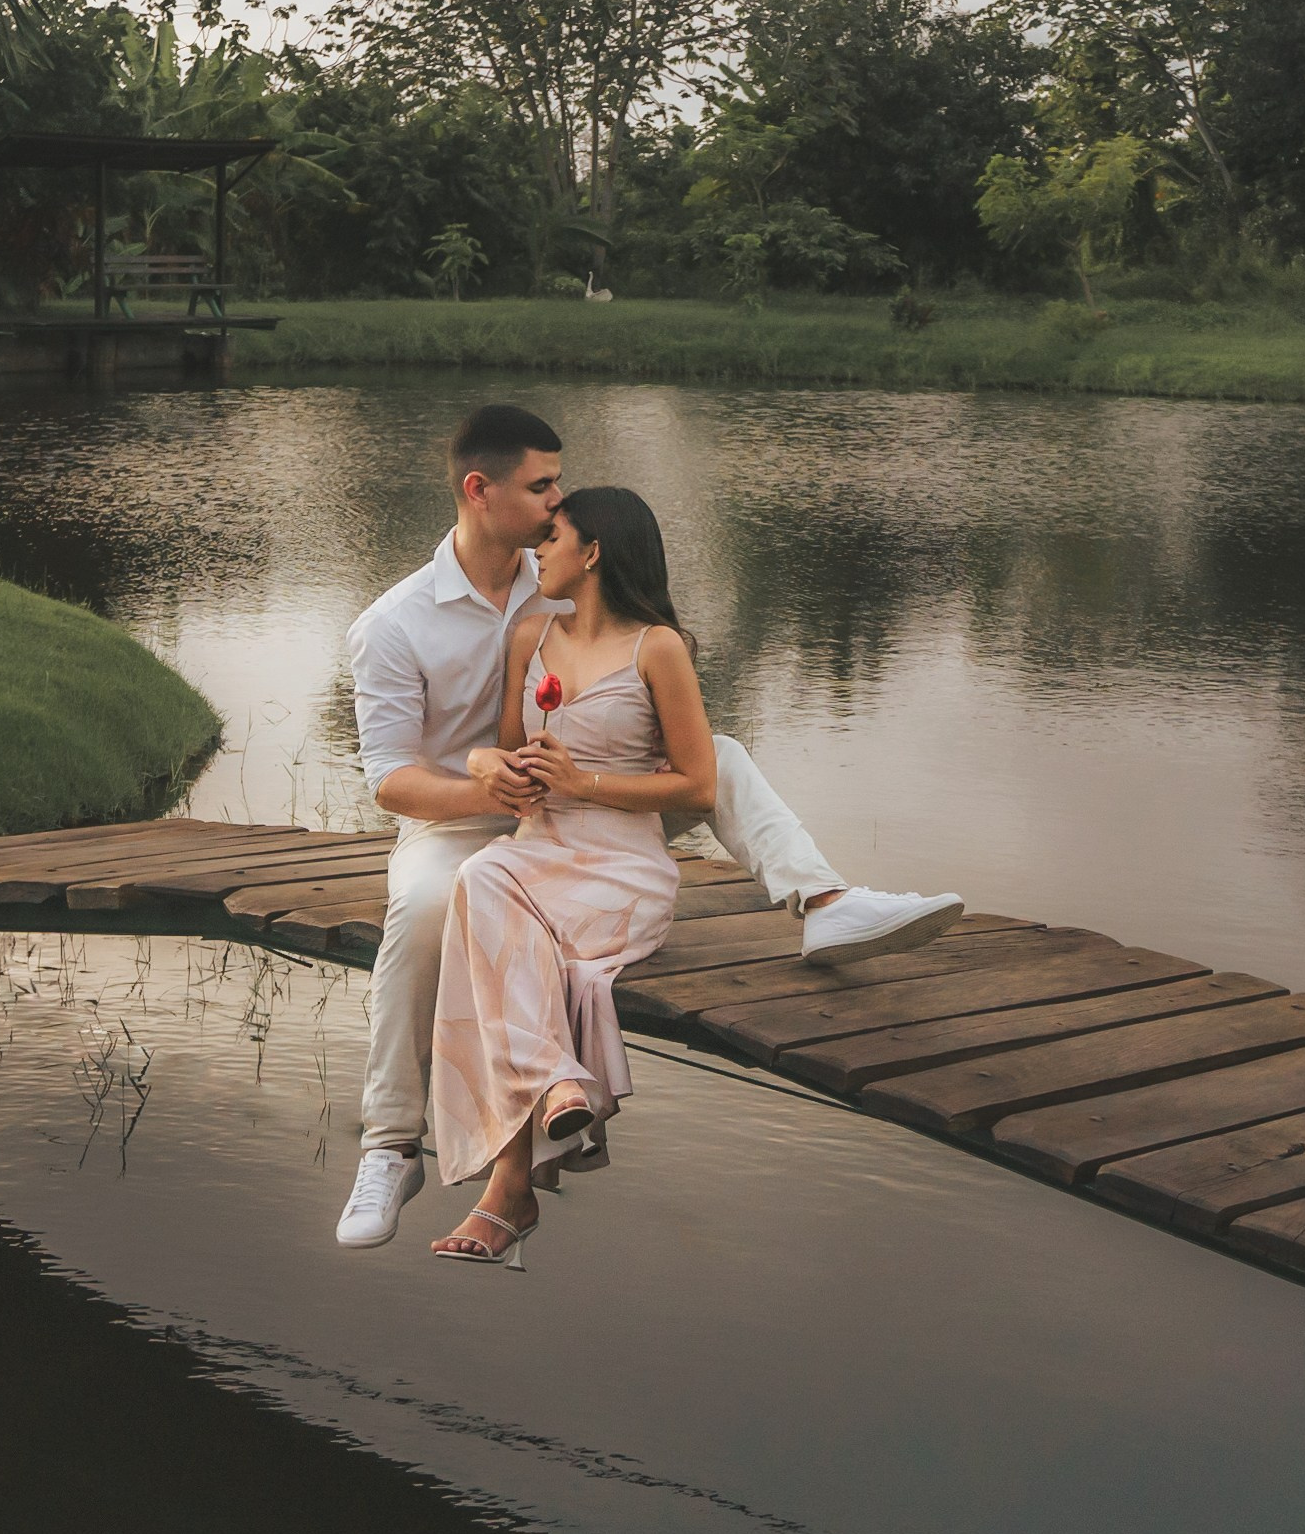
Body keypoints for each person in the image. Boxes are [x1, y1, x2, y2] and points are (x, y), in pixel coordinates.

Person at [336, 405, 964, 1249]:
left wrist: (581, 775)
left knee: (721, 752)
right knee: (424, 905)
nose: (559, 498)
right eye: (542, 484)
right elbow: (391, 781)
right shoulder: (394, 623)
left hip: (580, 816)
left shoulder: (557, 575)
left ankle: (822, 899)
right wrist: (490, 776)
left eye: (562, 488)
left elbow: (642, 685)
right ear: (479, 491)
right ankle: (390, 1144)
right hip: (463, 820)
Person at [425, 487, 710, 1266]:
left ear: (592, 553)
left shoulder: (658, 648)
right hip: (538, 848)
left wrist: (585, 784)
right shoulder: (530, 637)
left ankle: (508, 1187)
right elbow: (510, 753)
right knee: (482, 879)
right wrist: (497, 767)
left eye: (553, 537)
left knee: (502, 931)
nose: (536, 551)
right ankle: (552, 1080)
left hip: (622, 865)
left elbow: (698, 785)